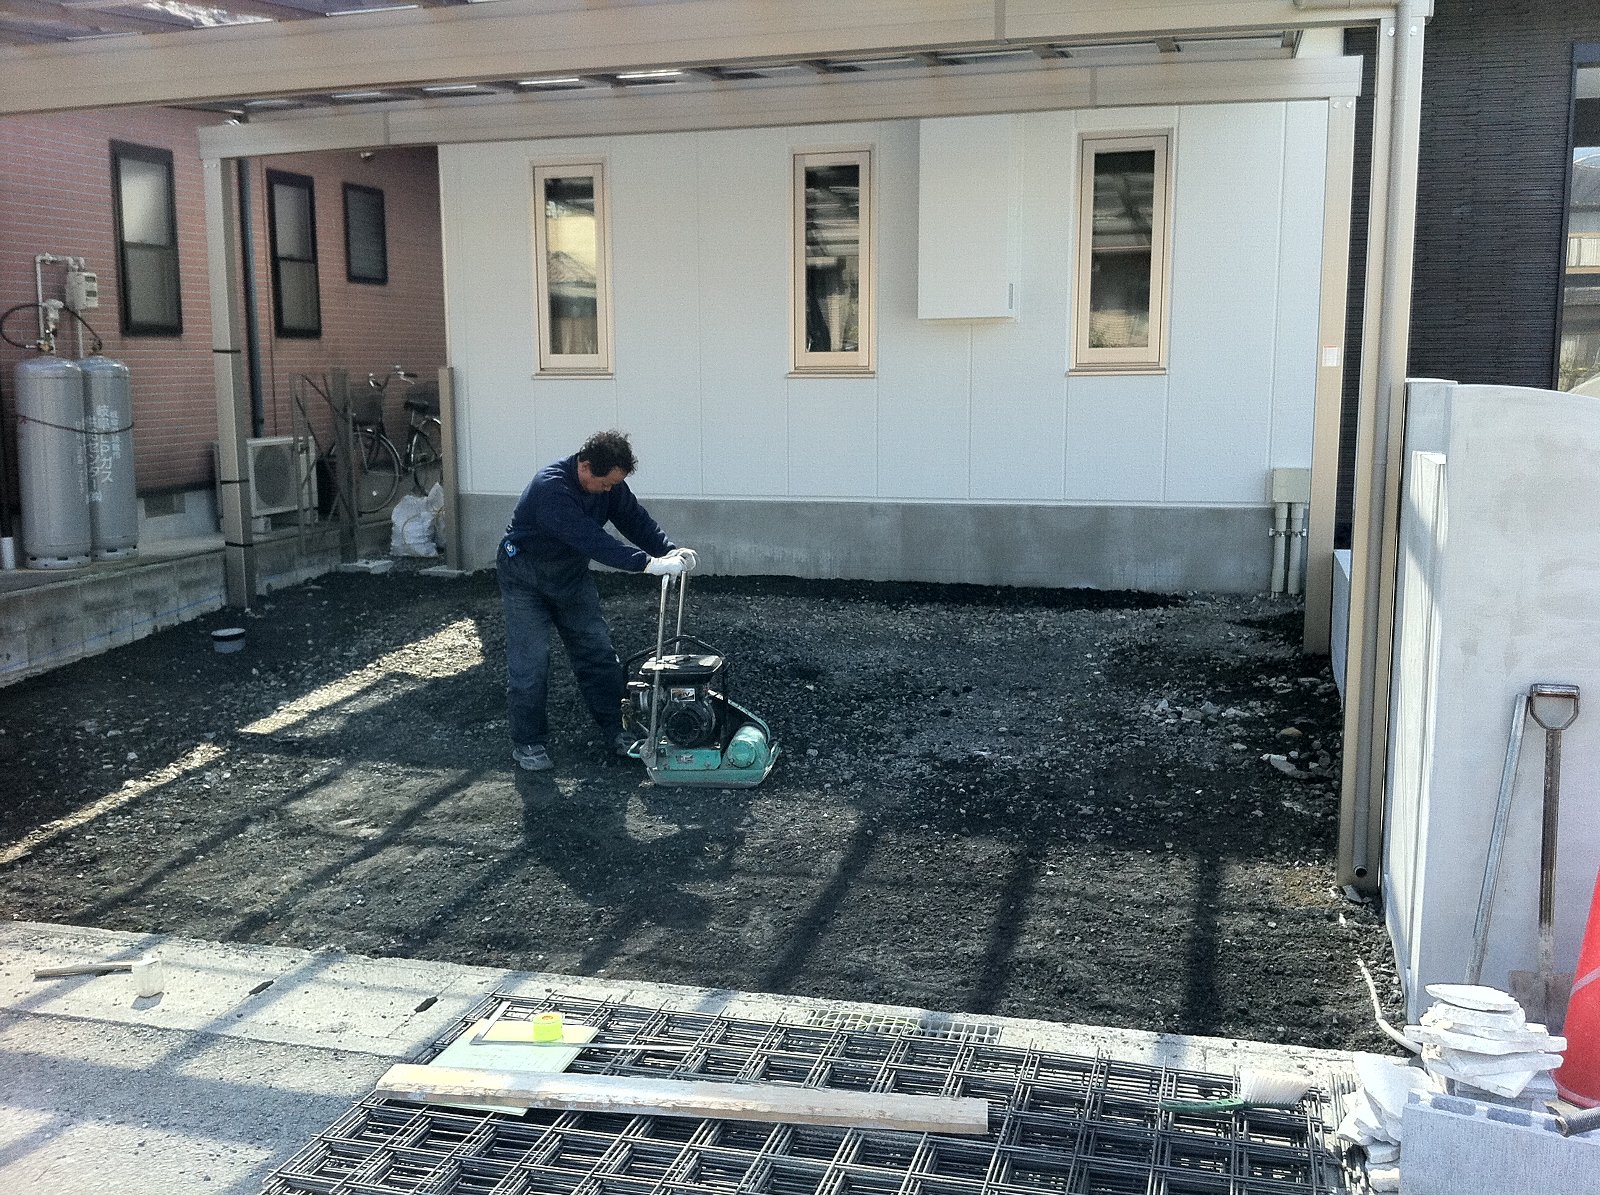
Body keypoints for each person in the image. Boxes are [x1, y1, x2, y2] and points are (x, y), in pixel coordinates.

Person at [497, 430, 697, 771]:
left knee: (597, 652)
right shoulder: (551, 489)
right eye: (605, 484)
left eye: (614, 484)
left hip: (570, 576)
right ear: (585, 467)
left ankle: (618, 730)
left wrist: (668, 551)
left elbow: (634, 519)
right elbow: (592, 540)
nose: (609, 490)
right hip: (524, 578)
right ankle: (528, 742)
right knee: (531, 661)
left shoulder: (610, 485)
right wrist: (647, 564)